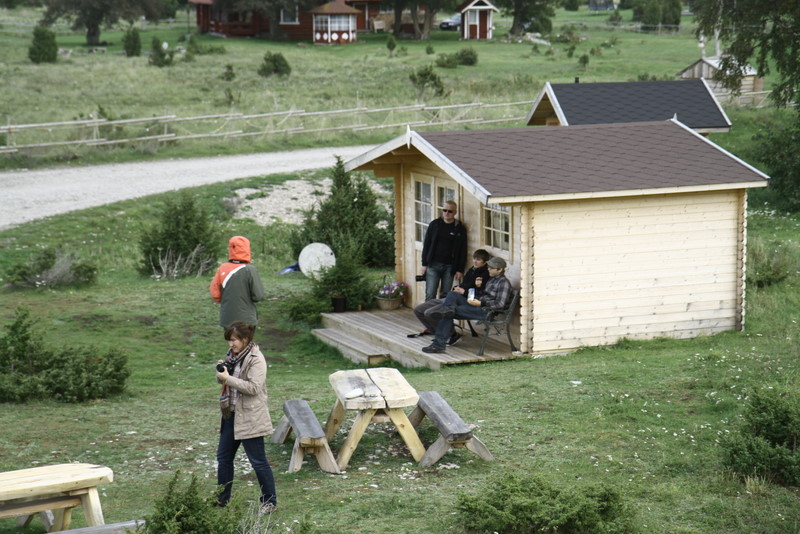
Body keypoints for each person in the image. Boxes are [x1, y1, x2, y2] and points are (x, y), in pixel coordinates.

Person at [215, 322, 277, 514]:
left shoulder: (256, 359)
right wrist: (221, 375)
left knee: (258, 461)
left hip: (250, 417)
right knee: (224, 458)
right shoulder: (232, 356)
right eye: (229, 340)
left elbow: (253, 388)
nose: (230, 344)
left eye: (234, 340)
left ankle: (270, 502)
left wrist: (228, 379)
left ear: (245, 339)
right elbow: (227, 381)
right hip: (231, 415)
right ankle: (222, 499)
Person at [422, 256, 513, 354]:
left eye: (491, 268)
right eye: (488, 267)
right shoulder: (492, 279)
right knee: (453, 294)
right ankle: (448, 310)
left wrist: (481, 303)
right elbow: (483, 295)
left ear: (500, 270)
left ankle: (438, 345)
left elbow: (500, 304)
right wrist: (478, 286)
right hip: (477, 304)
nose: (488, 269)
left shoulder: (503, 283)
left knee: (447, 313)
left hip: (486, 311)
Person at [413, 249, 491, 344]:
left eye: (478, 260)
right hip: (454, 296)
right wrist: (457, 288)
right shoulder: (472, 270)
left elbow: (480, 293)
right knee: (418, 310)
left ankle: (451, 335)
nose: (475, 261)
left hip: (464, 301)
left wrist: (464, 292)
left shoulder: (485, 274)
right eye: (474, 258)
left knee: (430, 313)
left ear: (485, 262)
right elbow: (464, 285)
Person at [210, 236, 266, 328]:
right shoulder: (250, 270)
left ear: (230, 248)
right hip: (246, 320)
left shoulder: (222, 268)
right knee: (247, 338)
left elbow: (215, 294)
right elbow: (258, 296)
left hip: (227, 319)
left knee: (231, 338)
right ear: (247, 249)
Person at [420, 200, 468, 301]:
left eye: (450, 211)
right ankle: (428, 311)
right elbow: (427, 245)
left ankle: (441, 312)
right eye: (444, 210)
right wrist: (424, 264)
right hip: (433, 264)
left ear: (455, 213)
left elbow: (463, 250)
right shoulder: (434, 225)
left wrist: (460, 270)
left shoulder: (459, 228)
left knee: (445, 294)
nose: (447, 213)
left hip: (450, 266)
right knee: (430, 293)